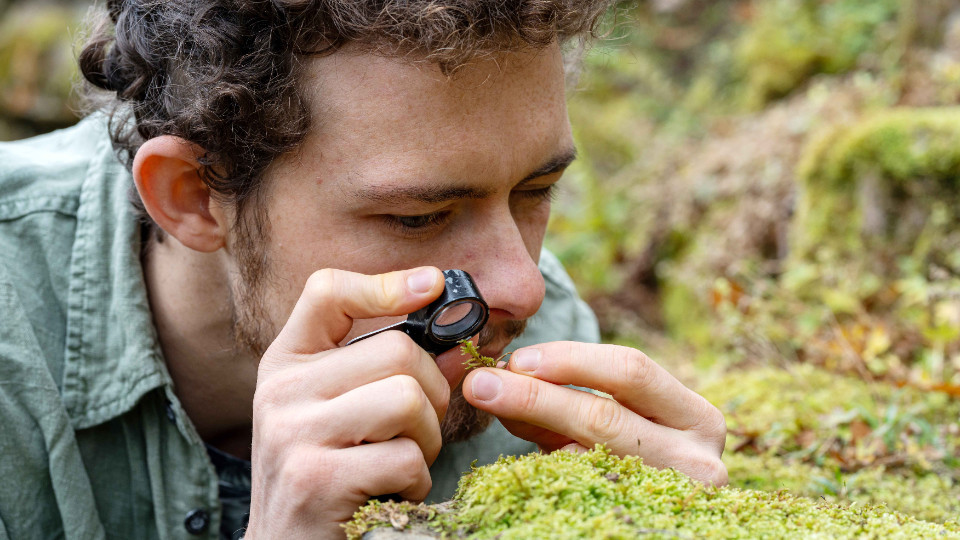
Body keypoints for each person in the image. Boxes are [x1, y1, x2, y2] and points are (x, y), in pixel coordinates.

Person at [0, 1, 727, 538]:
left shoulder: (545, 346)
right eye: (417, 218)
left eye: (535, 193)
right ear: (194, 197)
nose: (521, 287)